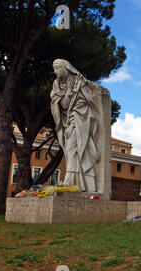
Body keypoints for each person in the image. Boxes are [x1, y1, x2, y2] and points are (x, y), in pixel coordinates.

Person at [50, 59, 100, 192]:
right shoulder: (56, 84)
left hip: (79, 119)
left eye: (58, 68)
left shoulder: (79, 81)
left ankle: (69, 182)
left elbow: (89, 100)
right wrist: (65, 96)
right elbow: (61, 104)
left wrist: (75, 117)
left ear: (65, 68)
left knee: (74, 150)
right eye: (54, 68)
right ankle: (81, 185)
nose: (55, 72)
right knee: (72, 152)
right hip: (66, 122)